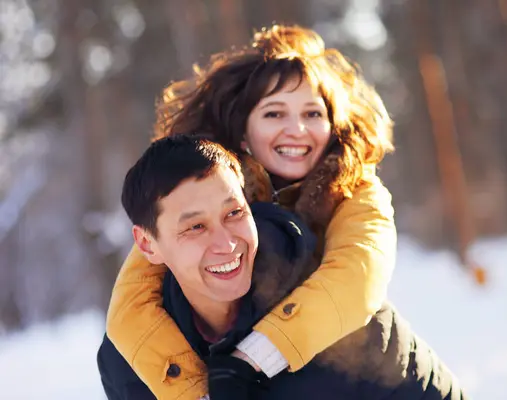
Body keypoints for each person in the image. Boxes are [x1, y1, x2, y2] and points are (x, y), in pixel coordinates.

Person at [107, 25, 399, 399]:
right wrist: (196, 392)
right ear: (243, 133)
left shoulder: (357, 187)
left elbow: (358, 277)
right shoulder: (208, 188)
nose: (297, 129)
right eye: (275, 114)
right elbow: (131, 307)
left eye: (313, 114)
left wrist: (255, 356)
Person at [98, 135, 467, 399]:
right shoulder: (130, 363)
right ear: (147, 243)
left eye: (234, 213)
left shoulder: (336, 312)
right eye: (195, 227)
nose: (226, 243)